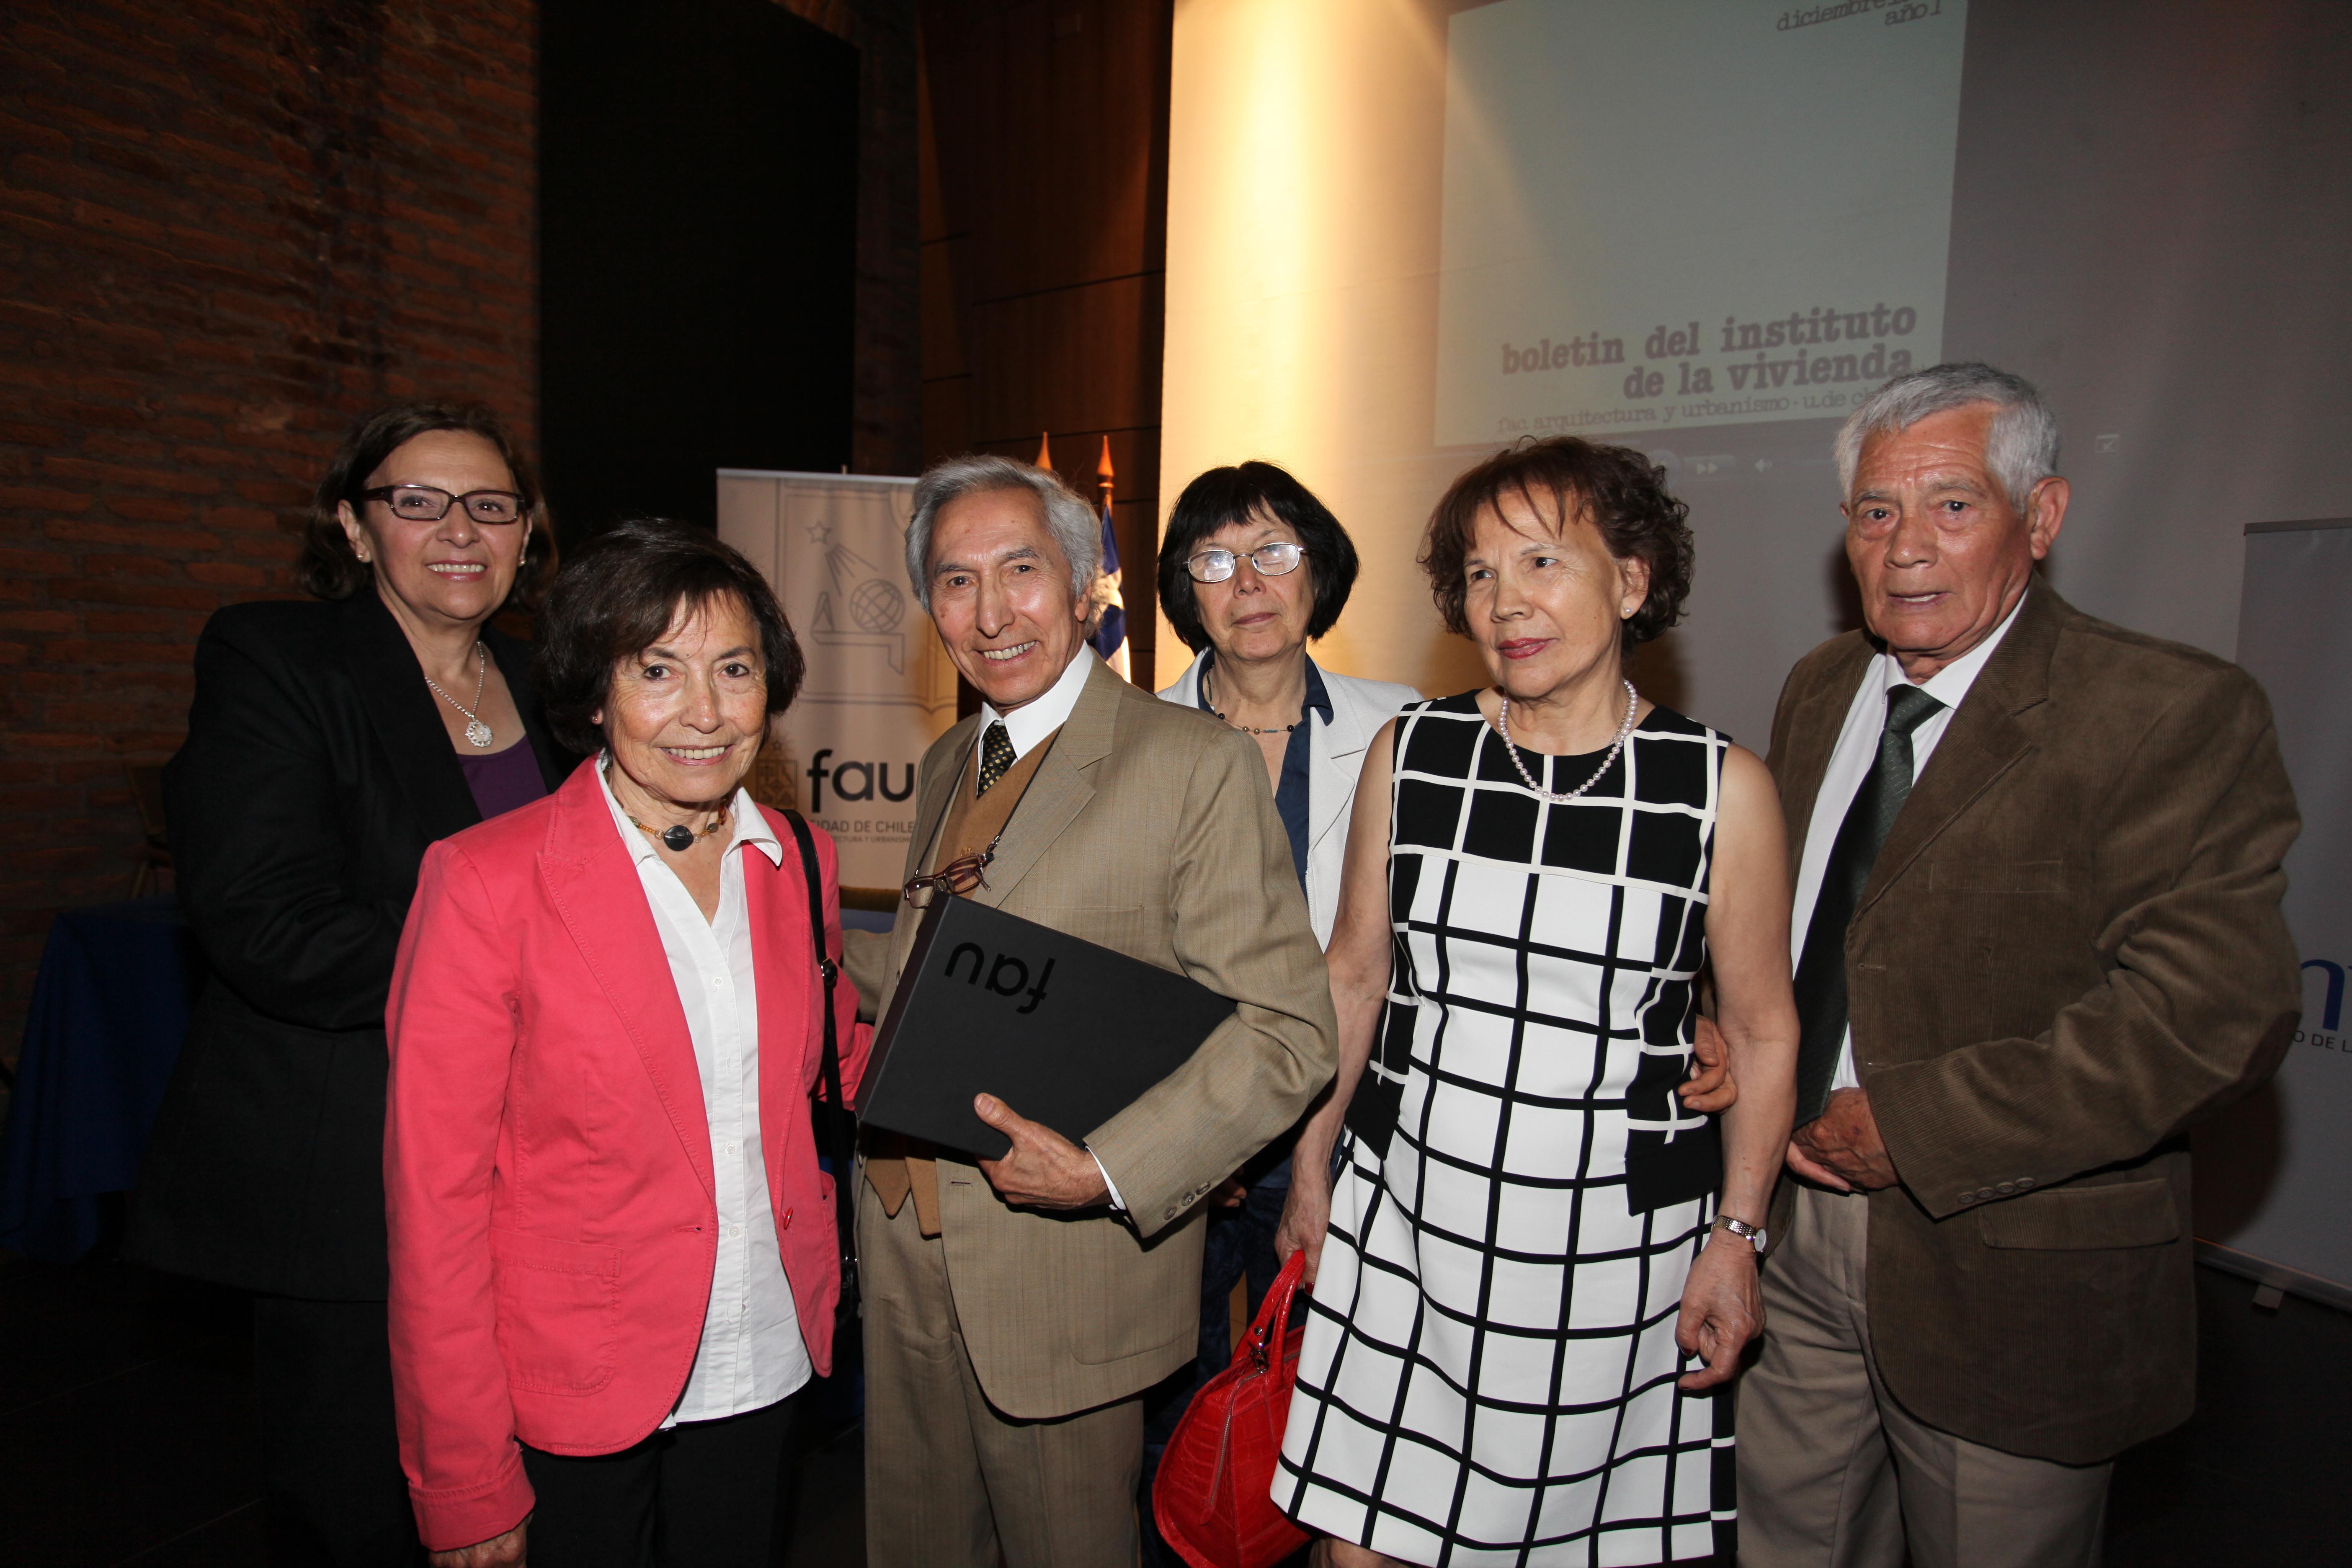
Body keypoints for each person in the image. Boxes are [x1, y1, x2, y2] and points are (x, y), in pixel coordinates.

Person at [1733, 363, 2301, 1568]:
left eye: (1953, 505)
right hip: (1794, 1233)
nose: (1906, 548)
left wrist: (1919, 1127)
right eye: (1877, 512)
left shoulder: (2162, 711)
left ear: (2041, 518)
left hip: (2007, 1272)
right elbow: (1794, 926)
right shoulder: (1824, 688)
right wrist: (1729, 1031)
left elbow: (2210, 1020)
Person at [1273, 437, 1800, 1567]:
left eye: (1542, 562)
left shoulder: (1720, 789)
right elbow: (1355, 974)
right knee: (1361, 1545)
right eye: (1477, 573)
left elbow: (1760, 1029)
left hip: (1610, 1258)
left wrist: (1738, 1238)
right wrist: (1314, 1161)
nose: (1504, 601)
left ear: (1633, 578)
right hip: (1406, 1218)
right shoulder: (1414, 755)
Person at [838, 454, 1337, 1567]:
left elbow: (1288, 1032)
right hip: (906, 1248)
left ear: (1081, 586)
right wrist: (792, 934)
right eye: (957, 582)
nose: (993, 609)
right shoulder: (946, 763)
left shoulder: (1189, 765)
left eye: (1021, 569)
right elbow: (947, 974)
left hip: (1058, 1267)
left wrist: (1108, 1170)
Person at [381, 519, 866, 1568]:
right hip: (576, 1382)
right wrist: (464, 1474)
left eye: (734, 669)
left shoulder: (798, 857)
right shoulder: (484, 883)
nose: (705, 713)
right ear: (596, 696)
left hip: (767, 1349)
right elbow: (437, 1202)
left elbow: (828, 1060)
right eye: (659, 671)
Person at [130, 402, 567, 1564]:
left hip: (537, 1169)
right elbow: (270, 926)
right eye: (416, 501)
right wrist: (532, 980)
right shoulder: (277, 657)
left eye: (490, 505)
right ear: (355, 526)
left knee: (525, 1505)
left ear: (527, 533)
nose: (459, 530)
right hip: (352, 1170)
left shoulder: (556, 685)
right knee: (362, 1509)